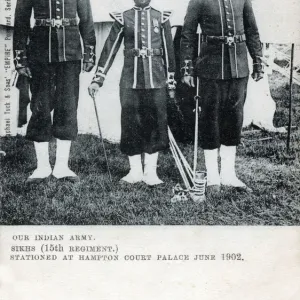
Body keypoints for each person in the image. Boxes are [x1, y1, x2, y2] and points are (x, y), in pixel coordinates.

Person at [88, 0, 176, 186]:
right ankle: (135, 171)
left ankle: (151, 172)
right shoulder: (124, 17)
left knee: (155, 123)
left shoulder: (161, 17)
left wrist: (171, 82)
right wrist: (98, 78)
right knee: (131, 123)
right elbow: (110, 48)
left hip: (156, 79)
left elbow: (169, 52)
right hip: (130, 80)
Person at [180, 0, 264, 192]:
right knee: (210, 119)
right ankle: (213, 178)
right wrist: (187, 69)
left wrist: (258, 62)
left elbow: (252, 30)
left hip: (239, 67)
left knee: (234, 119)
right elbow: (187, 35)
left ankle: (228, 175)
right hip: (210, 68)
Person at [13, 0, 96, 183]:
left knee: (68, 105)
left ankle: (62, 167)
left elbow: (87, 18)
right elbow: (21, 20)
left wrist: (89, 52)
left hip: (71, 52)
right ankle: (42, 167)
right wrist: (20, 59)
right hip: (39, 52)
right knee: (40, 107)